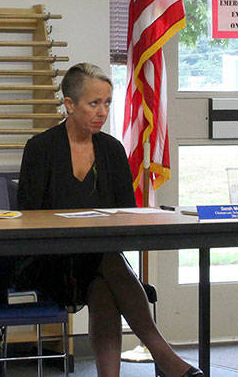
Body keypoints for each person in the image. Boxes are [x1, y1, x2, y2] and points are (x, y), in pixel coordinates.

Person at [17, 62, 202, 377]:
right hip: (51, 262)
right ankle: (165, 357)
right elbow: (29, 217)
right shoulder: (40, 149)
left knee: (102, 279)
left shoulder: (112, 150)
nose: (102, 112)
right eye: (94, 104)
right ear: (69, 105)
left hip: (97, 261)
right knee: (106, 266)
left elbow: (126, 214)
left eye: (107, 103)